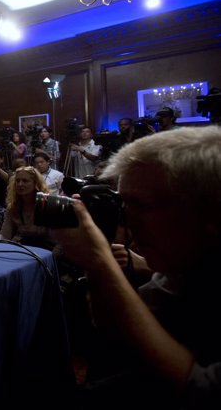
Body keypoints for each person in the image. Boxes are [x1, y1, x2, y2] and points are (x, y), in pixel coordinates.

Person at [53, 125, 221, 409]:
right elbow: (118, 339)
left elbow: (201, 392)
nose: (128, 221)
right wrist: (94, 263)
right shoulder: (179, 269)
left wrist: (100, 261)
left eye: (139, 205)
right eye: (123, 204)